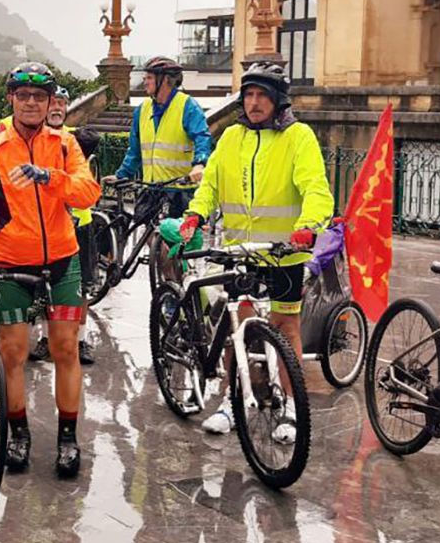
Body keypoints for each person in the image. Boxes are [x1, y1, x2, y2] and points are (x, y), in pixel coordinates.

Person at [177, 62, 332, 444]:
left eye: (262, 95)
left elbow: (316, 188)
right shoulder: (232, 137)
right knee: (239, 329)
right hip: (241, 253)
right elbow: (210, 185)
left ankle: (292, 407)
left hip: (283, 253)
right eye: (248, 95)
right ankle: (233, 403)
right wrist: (196, 213)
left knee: (286, 328)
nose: (254, 102)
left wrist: (308, 226)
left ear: (278, 100)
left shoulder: (298, 137)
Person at [0, 62, 101, 478]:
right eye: (23, 95)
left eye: (40, 97)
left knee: (66, 348)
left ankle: (68, 438)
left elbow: (87, 193)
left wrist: (48, 177)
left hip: (61, 260)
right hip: (8, 262)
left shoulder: (65, 145)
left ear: (51, 101)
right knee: (13, 352)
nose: (32, 103)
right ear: (11, 99)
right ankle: (18, 433)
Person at [107, 56, 214, 282]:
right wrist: (121, 175)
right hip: (152, 190)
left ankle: (174, 286)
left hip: (179, 191)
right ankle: (170, 284)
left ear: (165, 80)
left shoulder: (187, 106)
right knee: (152, 241)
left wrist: (200, 163)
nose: (145, 82)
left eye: (148, 77)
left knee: (176, 247)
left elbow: (202, 137)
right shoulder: (142, 109)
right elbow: (135, 151)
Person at [28, 87, 101, 366]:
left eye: (62, 103)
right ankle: (47, 338)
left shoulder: (74, 140)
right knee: (46, 285)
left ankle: (80, 340)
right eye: (53, 103)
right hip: (46, 226)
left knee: (81, 287)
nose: (57, 108)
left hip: (79, 224)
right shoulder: (34, 140)